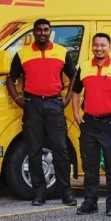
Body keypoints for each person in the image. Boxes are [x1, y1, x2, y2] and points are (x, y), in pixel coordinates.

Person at [5, 18, 78, 207]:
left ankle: (66, 192)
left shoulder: (61, 52)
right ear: (34, 33)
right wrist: (17, 99)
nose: (42, 33)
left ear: (49, 32)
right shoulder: (23, 54)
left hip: (54, 104)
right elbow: (10, 78)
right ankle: (39, 193)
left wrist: (67, 98)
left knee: (60, 150)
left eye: (46, 30)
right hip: (32, 105)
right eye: (39, 30)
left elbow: (73, 76)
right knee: (34, 150)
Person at [71, 33, 111, 217]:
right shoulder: (84, 67)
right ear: (92, 47)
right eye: (96, 45)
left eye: (103, 45)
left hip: (110, 123)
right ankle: (90, 202)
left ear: (109, 47)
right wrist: (76, 114)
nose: (99, 48)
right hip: (89, 123)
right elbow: (75, 92)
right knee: (89, 165)